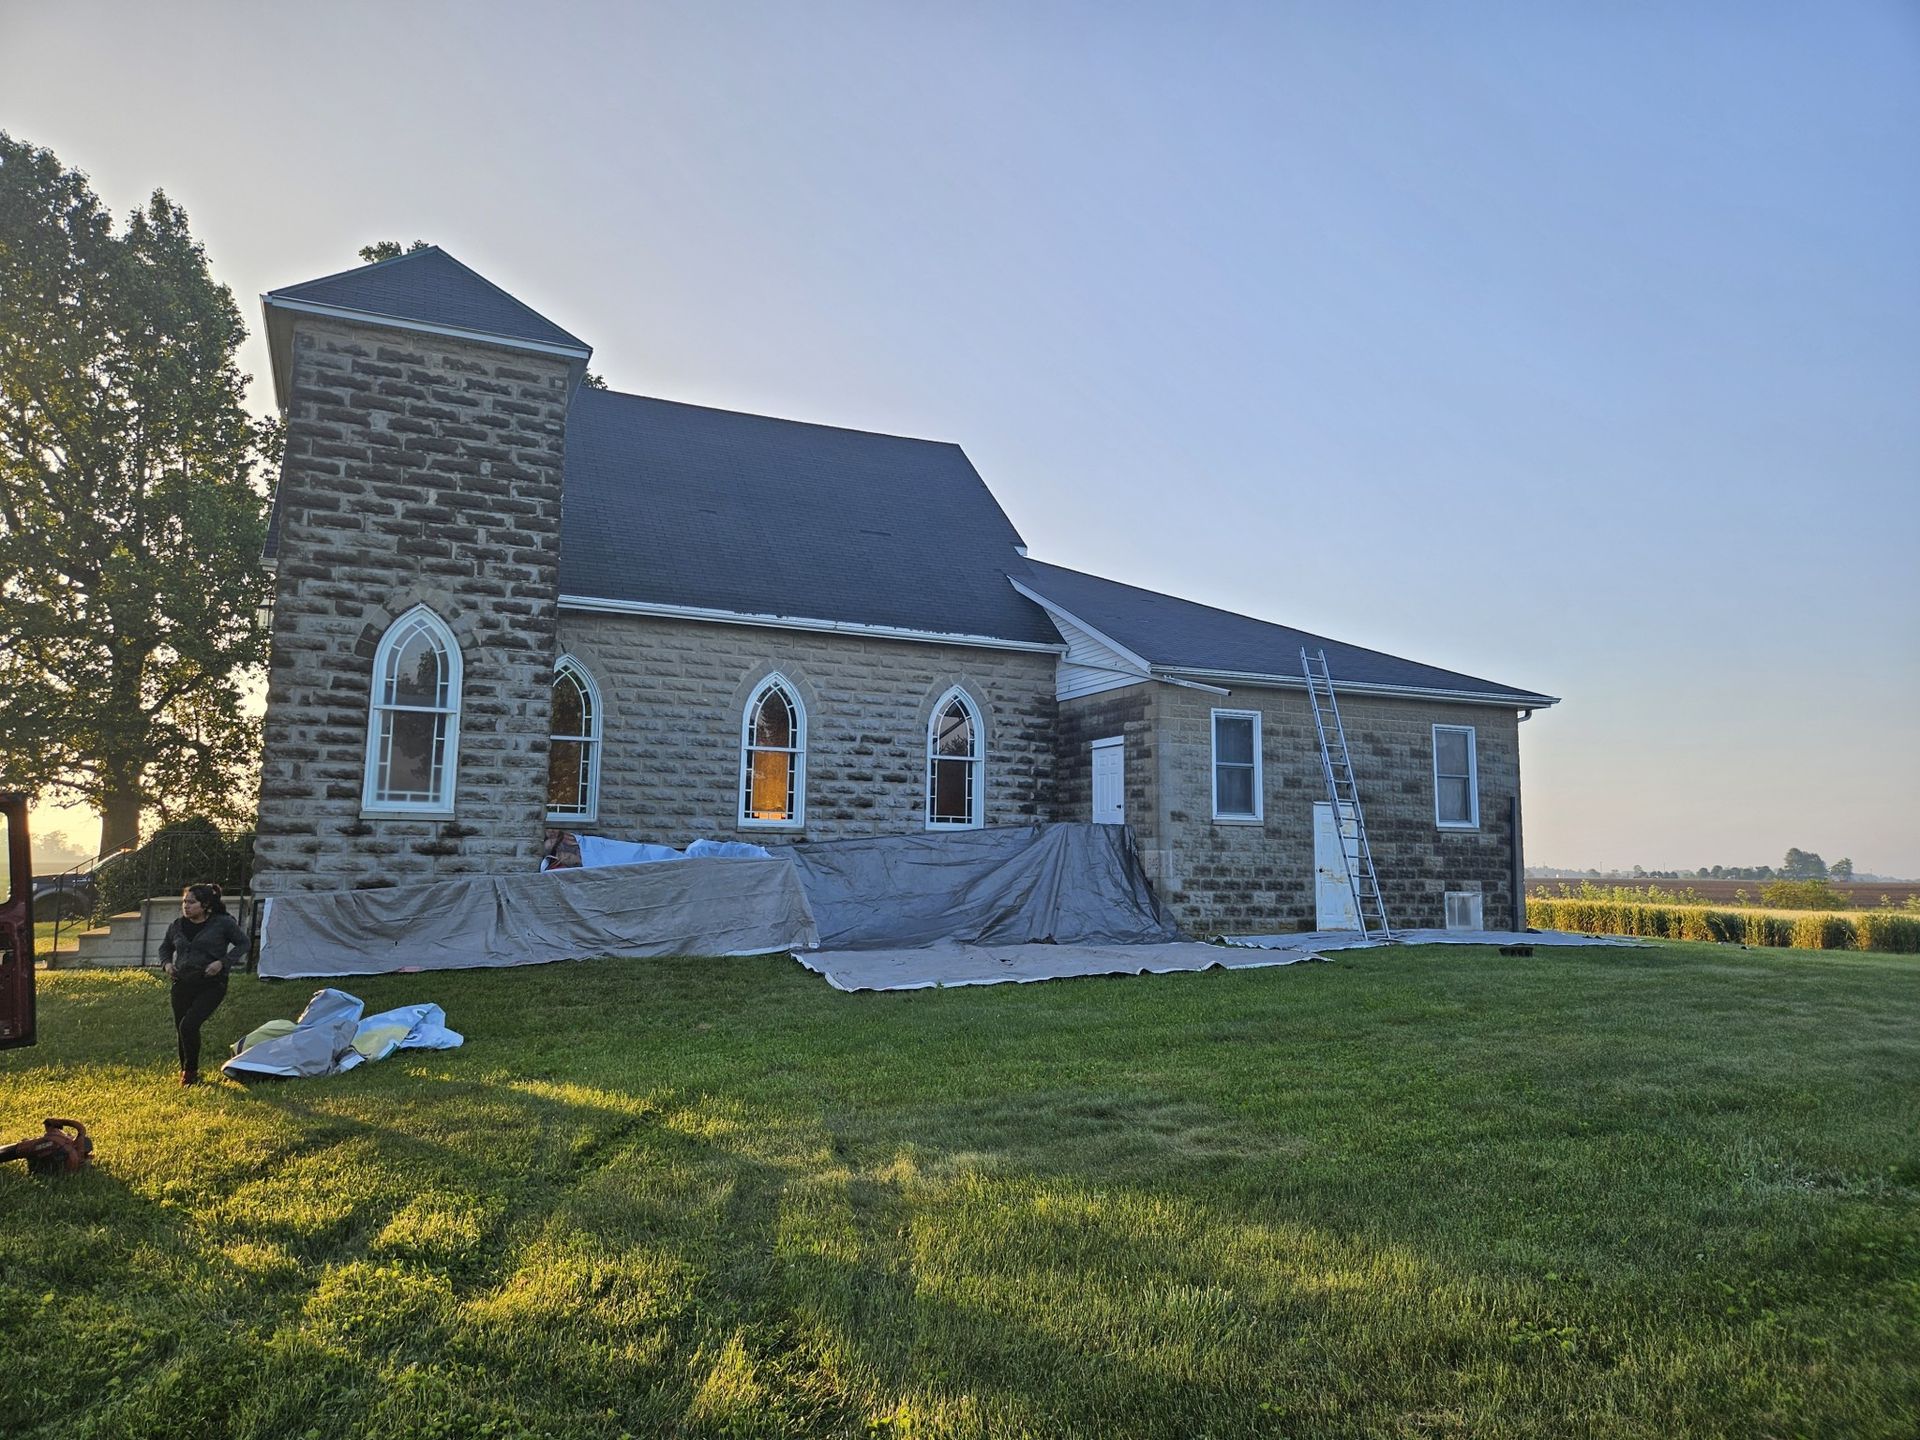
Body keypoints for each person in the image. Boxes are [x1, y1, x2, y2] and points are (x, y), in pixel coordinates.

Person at [159, 883, 249, 1085]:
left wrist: (222, 963)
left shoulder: (223, 923)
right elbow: (165, 948)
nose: (186, 906)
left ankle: (190, 1072)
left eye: (192, 902)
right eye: (184, 902)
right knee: (181, 1028)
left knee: (189, 1025)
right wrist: (166, 965)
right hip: (182, 982)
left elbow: (244, 943)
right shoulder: (177, 925)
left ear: (205, 905)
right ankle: (187, 1073)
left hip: (211, 983)